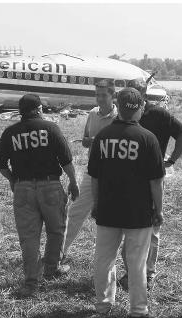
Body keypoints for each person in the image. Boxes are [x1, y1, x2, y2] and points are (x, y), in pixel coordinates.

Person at [88, 87, 165, 318]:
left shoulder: (102, 137)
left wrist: (96, 203)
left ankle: (103, 305)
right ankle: (138, 309)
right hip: (138, 212)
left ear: (118, 107)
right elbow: (156, 182)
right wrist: (158, 210)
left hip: (108, 209)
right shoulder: (148, 138)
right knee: (137, 262)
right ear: (140, 108)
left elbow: (95, 177)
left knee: (104, 259)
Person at [0, 93, 79, 297]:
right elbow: (66, 160)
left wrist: (13, 180)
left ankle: (31, 283)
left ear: (21, 112)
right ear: (39, 109)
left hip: (23, 189)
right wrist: (74, 182)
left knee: (29, 237)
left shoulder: (10, 132)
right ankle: (52, 268)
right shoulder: (51, 128)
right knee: (56, 230)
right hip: (50, 186)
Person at [118, 79, 182, 290]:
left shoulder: (157, 114)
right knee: (136, 227)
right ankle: (136, 272)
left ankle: (147, 274)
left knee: (149, 226)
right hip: (137, 180)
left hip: (146, 180)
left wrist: (171, 161)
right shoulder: (135, 115)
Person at [63, 79, 118, 259]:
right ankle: (58, 253)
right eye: (97, 95)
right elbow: (85, 141)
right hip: (92, 171)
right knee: (75, 212)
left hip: (113, 175)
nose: (99, 99)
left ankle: (107, 260)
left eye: (103, 95)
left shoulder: (119, 117)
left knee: (111, 217)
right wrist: (91, 141)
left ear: (113, 96)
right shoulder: (93, 114)